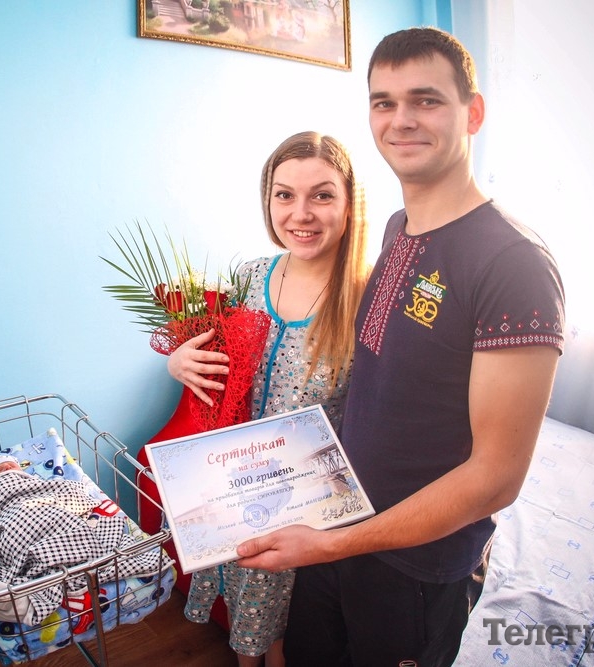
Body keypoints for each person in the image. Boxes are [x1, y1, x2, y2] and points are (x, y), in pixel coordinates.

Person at [235, 27, 566, 666]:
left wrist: (333, 544)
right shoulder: (399, 229)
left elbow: (495, 478)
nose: (401, 119)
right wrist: (328, 538)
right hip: (335, 529)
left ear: (473, 112)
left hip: (413, 566)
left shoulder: (513, 264)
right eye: (383, 102)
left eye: (426, 100)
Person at [168, 130, 371, 667]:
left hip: (303, 502)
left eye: (322, 195)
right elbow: (215, 357)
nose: (300, 213)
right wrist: (179, 362)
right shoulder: (251, 275)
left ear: (350, 203)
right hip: (232, 479)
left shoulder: (367, 298)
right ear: (268, 199)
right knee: (247, 611)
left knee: (282, 626)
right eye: (285, 194)